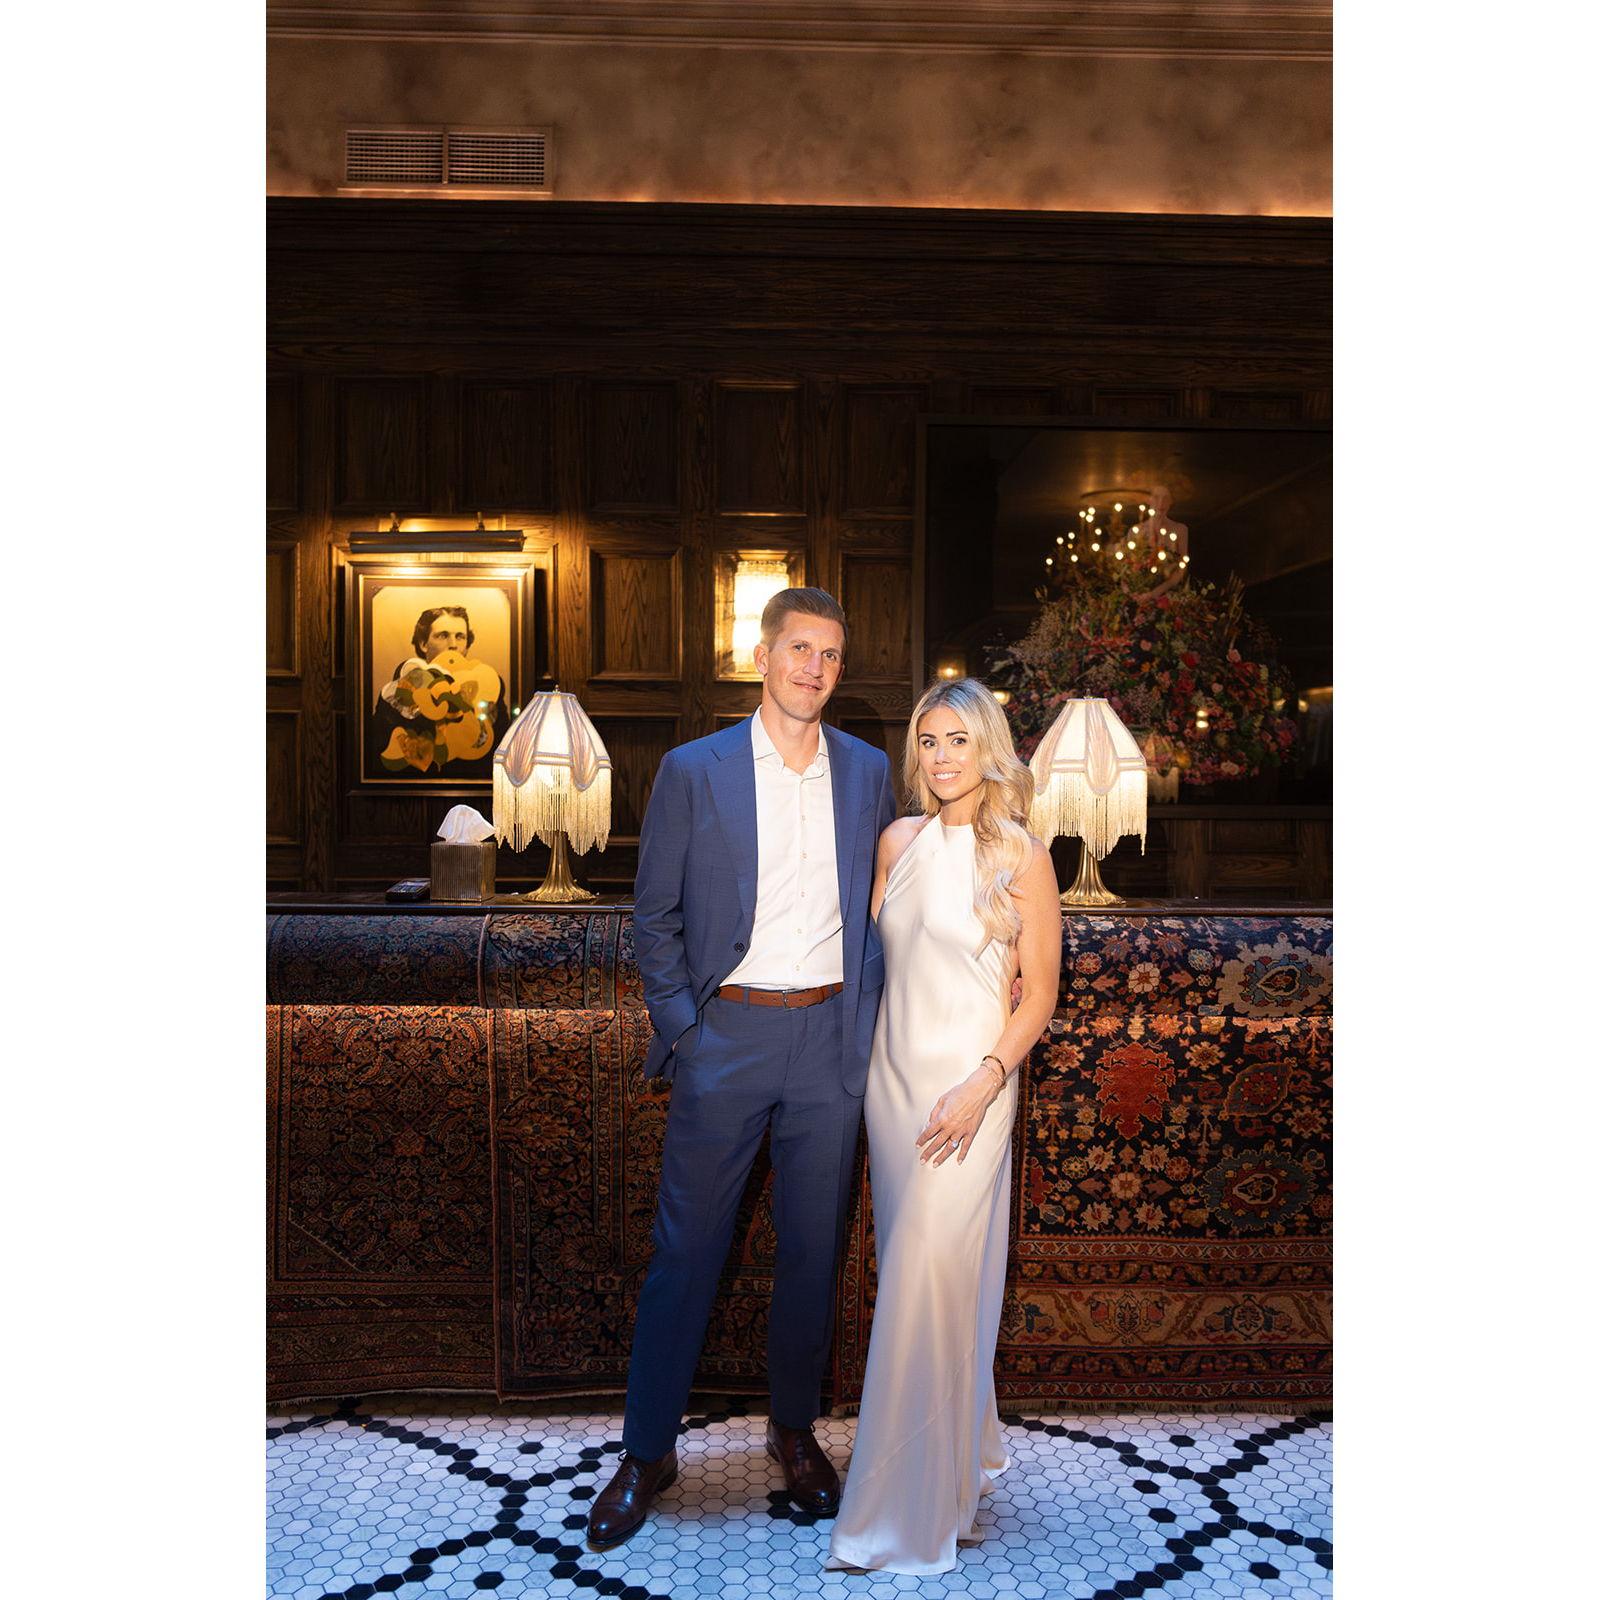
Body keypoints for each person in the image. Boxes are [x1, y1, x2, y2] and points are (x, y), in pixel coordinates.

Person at [587, 587, 897, 1550]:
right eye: (800, 648)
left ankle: (794, 1431)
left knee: (811, 1250)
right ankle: (647, 1451)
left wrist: (870, 1029)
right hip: (727, 1036)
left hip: (830, 1043)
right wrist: (687, 1031)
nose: (815, 668)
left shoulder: (869, 771)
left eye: (831, 654)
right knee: (686, 1251)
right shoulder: (695, 769)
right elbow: (655, 916)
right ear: (762, 658)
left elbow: (886, 908)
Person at [825, 676, 1061, 1574]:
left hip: (971, 1089)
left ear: (988, 748)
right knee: (921, 1282)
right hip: (892, 1088)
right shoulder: (899, 842)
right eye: (928, 741)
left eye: (959, 740)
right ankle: (953, 1465)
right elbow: (871, 966)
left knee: (924, 1283)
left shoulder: (1022, 856)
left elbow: (1038, 998)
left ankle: (899, 1512)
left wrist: (983, 1083)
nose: (941, 757)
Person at [369, 604, 507, 777]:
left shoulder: (488, 685)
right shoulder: (401, 687)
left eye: (460, 637)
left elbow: (502, 747)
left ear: (467, 644)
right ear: (423, 644)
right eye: (443, 635)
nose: (453, 645)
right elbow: (377, 749)